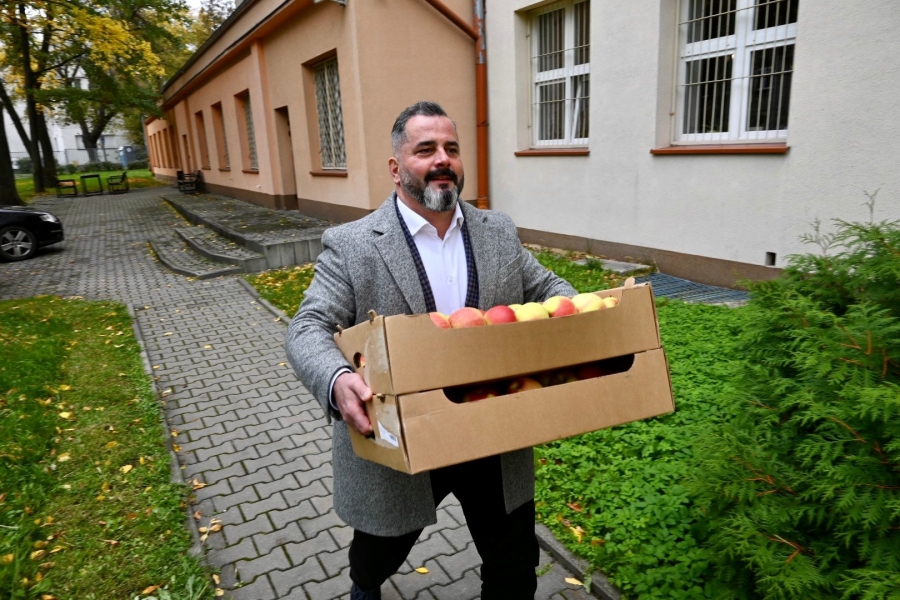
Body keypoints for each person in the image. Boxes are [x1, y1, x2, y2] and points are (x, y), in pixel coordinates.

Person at [286, 101, 576, 599]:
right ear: (396, 168)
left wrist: (574, 317)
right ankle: (365, 587)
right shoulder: (354, 244)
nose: (443, 159)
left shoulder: (497, 232)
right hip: (405, 434)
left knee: (514, 563)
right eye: (426, 149)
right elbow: (307, 326)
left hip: (493, 429)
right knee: (377, 554)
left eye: (452, 148)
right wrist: (337, 380)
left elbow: (551, 288)